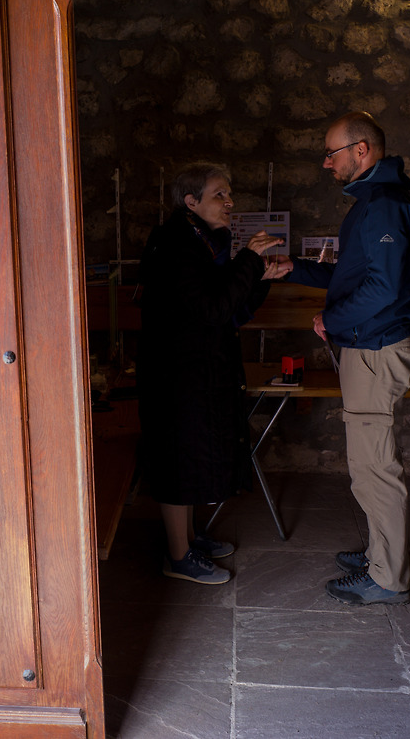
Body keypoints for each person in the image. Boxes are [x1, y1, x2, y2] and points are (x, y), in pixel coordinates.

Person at [274, 111, 410, 605]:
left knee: (374, 469)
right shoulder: (375, 201)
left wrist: (332, 320)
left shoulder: (383, 204)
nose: (326, 163)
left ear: (362, 150)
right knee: (370, 465)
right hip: (371, 346)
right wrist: (294, 269)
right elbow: (354, 276)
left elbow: (382, 289)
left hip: (375, 350)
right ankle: (382, 556)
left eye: (331, 153)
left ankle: (388, 578)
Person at [136, 162, 291, 585]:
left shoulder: (198, 239)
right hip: (175, 374)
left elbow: (229, 306)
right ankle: (178, 557)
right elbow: (213, 309)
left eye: (228, 193)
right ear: (191, 201)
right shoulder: (175, 244)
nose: (230, 202)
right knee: (178, 460)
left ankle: (186, 540)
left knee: (188, 456)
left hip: (193, 370)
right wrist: (250, 259)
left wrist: (261, 276)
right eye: (219, 194)